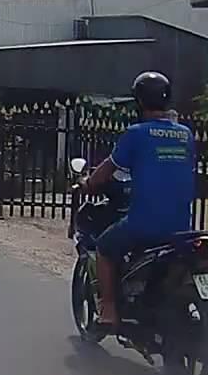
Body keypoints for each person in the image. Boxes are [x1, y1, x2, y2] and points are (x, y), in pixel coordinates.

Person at [83, 71, 195, 327]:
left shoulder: (136, 133)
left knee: (104, 247)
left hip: (144, 224)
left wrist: (88, 183)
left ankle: (109, 310)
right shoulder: (185, 134)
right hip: (181, 228)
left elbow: (105, 171)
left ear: (139, 101)